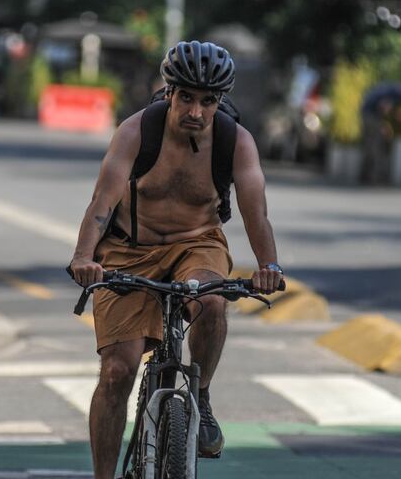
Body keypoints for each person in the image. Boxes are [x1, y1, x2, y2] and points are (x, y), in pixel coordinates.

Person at [69, 40, 284, 479]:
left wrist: (269, 267)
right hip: (128, 247)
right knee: (117, 370)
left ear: (220, 102)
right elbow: (101, 203)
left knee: (211, 302)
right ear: (169, 92)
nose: (197, 112)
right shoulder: (136, 132)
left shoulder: (235, 142)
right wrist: (84, 257)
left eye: (208, 101)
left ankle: (200, 398)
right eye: (186, 97)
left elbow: (254, 211)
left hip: (196, 242)